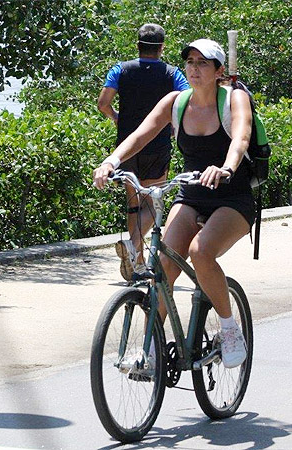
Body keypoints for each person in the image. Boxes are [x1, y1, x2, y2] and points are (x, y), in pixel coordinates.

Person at [92, 38, 250, 368]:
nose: (193, 68)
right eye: (190, 62)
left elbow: (240, 138)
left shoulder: (233, 99)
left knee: (200, 251)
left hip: (231, 195)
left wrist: (225, 168)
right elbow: (139, 135)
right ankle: (151, 348)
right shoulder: (176, 103)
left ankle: (230, 329)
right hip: (192, 193)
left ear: (219, 71)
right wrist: (112, 161)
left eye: (202, 63)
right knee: (163, 261)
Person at [97, 23, 190, 282]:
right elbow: (186, 102)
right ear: (162, 47)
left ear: (137, 45)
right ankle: (134, 246)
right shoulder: (172, 74)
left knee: (134, 203)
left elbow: (103, 103)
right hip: (157, 145)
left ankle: (136, 260)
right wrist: (173, 126)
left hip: (125, 147)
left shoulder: (120, 69)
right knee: (152, 201)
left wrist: (116, 117)